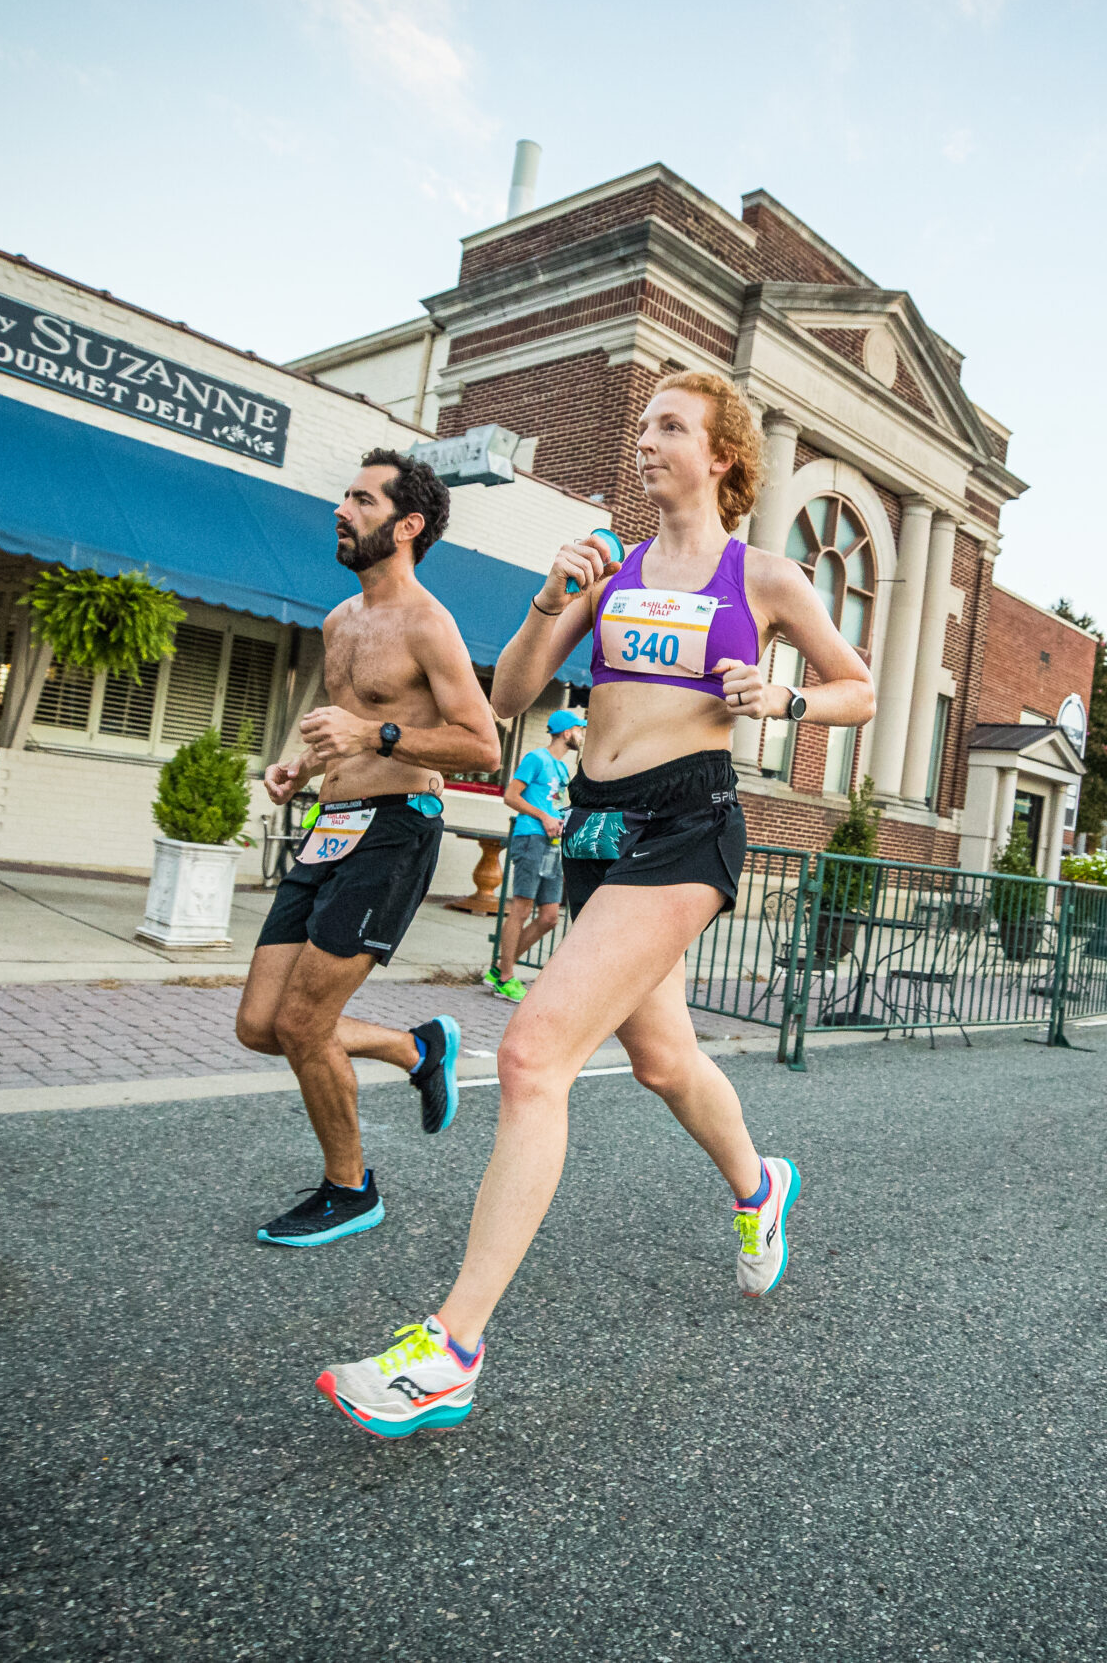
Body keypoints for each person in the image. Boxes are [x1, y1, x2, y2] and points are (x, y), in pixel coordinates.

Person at [317, 371, 876, 1437]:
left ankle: (452, 1350)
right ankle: (761, 1185)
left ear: (720, 456)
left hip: (688, 826)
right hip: (596, 830)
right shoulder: (607, 571)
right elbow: (511, 698)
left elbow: (859, 686)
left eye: (670, 426)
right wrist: (546, 596)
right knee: (664, 1059)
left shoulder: (760, 576)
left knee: (533, 1057)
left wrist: (790, 695)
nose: (646, 440)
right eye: (644, 425)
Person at [233, 451, 504, 1248]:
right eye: (343, 496)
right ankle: (417, 1048)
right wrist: (303, 763)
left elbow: (483, 745)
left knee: (306, 1021)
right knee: (261, 1023)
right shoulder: (339, 621)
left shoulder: (429, 622)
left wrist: (377, 733)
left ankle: (349, 1189)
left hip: (395, 828)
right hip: (332, 824)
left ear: (407, 524)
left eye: (360, 498)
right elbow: (342, 724)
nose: (341, 510)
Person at [488, 708, 586, 1000]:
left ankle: (498, 967)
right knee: (521, 908)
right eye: (580, 729)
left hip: (552, 845)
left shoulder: (561, 769)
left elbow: (556, 805)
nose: (582, 735)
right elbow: (510, 796)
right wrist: (544, 817)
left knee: (549, 917)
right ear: (567, 732)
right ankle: (505, 978)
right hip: (530, 838)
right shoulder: (536, 759)